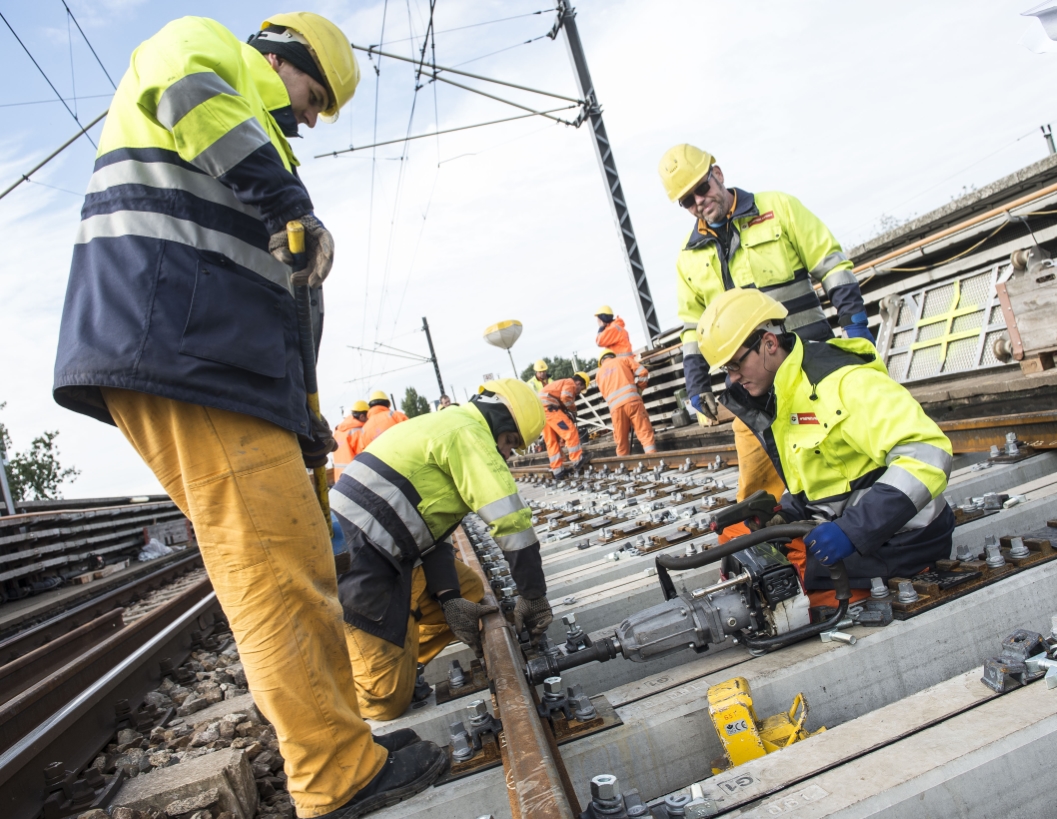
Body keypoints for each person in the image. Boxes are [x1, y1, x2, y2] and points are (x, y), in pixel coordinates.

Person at [52, 12, 446, 818]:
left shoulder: (244, 154)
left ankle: (347, 741)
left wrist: (304, 414)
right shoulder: (202, 51)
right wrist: (284, 197)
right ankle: (334, 775)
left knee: (299, 555)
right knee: (272, 569)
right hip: (181, 351)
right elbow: (189, 86)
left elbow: (282, 302)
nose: (310, 117)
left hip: (210, 358)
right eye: (314, 95)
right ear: (282, 59)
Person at [697, 288, 955, 607]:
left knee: (791, 602)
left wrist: (852, 530)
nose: (733, 379)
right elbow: (825, 477)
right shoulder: (782, 394)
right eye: (727, 371)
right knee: (737, 536)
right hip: (846, 528)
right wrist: (786, 514)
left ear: (768, 343)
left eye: (736, 365)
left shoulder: (845, 382)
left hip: (903, 539)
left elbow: (928, 453)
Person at [658, 144, 872, 504]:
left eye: (701, 188)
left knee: (840, 450)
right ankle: (777, 545)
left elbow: (831, 265)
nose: (699, 201)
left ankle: (860, 515)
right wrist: (696, 384)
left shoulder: (779, 209)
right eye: (687, 201)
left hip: (808, 362)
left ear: (718, 174)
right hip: (750, 384)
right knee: (758, 481)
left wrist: (854, 326)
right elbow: (692, 329)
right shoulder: (687, 258)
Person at [331, 379, 553, 719]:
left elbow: (428, 532)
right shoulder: (468, 434)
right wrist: (533, 595)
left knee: (467, 590)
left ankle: (396, 654)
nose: (507, 454)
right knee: (385, 700)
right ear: (500, 421)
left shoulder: (446, 424)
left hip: (385, 548)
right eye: (509, 442)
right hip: (360, 556)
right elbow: (512, 523)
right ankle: (349, 687)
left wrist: (449, 599)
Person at [597, 350, 655, 457]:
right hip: (632, 401)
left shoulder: (599, 374)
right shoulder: (623, 360)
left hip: (615, 408)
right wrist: (640, 388)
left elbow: (605, 394)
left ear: (601, 361)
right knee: (643, 430)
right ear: (613, 356)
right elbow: (643, 372)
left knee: (621, 438)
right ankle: (652, 456)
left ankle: (623, 463)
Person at [539, 372, 590, 478]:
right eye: (580, 389)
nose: (578, 393)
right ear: (579, 383)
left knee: (552, 441)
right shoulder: (570, 383)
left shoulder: (559, 384)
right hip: (550, 408)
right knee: (570, 432)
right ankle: (577, 459)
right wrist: (573, 409)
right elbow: (566, 398)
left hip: (541, 411)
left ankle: (558, 471)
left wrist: (566, 412)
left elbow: (560, 400)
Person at [334, 400, 369, 471]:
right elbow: (365, 457)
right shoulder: (358, 432)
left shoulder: (337, 433)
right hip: (356, 475)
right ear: (362, 416)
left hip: (340, 477)